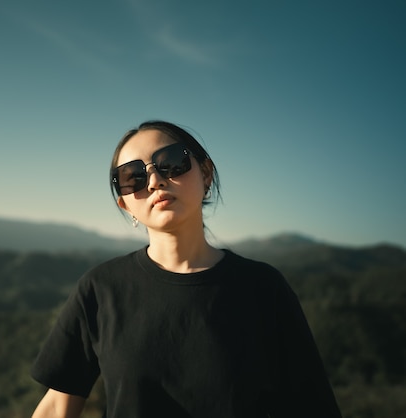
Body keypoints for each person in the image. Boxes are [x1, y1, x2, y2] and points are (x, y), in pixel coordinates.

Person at [30, 120, 342, 418]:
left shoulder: (263, 287)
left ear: (206, 173)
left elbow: (310, 407)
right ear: (125, 204)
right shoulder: (101, 288)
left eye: (170, 163)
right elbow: (59, 405)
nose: (154, 181)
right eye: (132, 177)